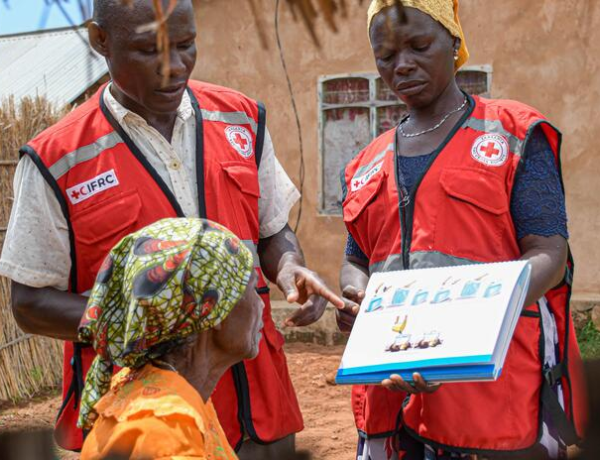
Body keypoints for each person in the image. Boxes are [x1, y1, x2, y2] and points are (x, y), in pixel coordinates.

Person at [0, 0, 343, 457]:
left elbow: (271, 231)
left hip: (258, 403)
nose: (175, 66)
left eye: (186, 45)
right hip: (144, 419)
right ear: (100, 40)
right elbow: (29, 303)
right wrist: (145, 323)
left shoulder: (241, 119)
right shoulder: (57, 159)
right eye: (150, 50)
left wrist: (290, 267)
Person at [337, 1, 587, 458]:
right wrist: (357, 300)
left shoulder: (512, 133)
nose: (402, 65)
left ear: (454, 42)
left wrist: (463, 326)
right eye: (386, 55)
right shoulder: (365, 162)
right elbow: (356, 257)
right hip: (390, 390)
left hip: (493, 395)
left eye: (419, 46)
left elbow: (548, 252)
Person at [78, 218, 260, 459]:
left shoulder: (166, 394)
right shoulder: (167, 429)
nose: (260, 304)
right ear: (211, 308)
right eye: (252, 288)